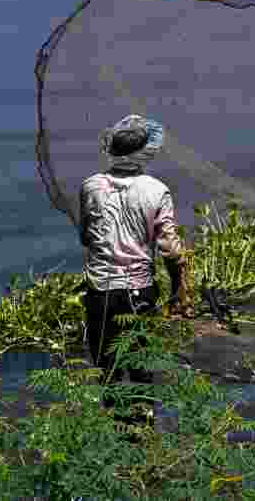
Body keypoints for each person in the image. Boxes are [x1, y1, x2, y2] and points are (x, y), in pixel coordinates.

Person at [79, 114, 186, 432]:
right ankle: (144, 432)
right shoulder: (157, 190)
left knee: (106, 366)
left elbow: (86, 236)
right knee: (141, 367)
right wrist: (179, 289)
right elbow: (170, 248)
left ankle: (116, 432)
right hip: (139, 292)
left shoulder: (91, 186)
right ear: (146, 153)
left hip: (99, 292)